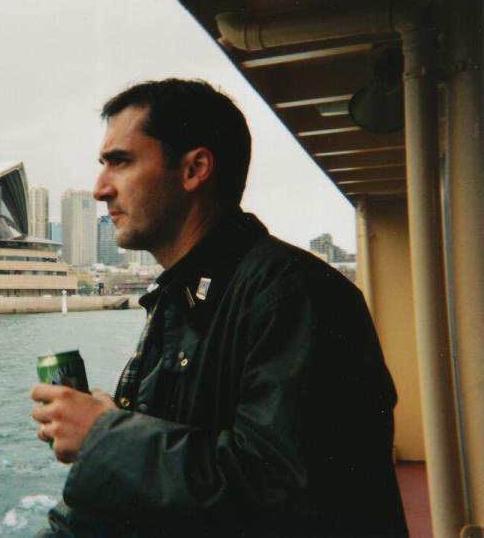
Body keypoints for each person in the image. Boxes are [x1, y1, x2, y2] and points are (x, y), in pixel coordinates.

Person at [30, 79, 408, 537]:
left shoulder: (295, 296)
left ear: (194, 169)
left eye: (121, 162)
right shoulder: (181, 299)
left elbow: (282, 492)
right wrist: (115, 426)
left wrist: (102, 436)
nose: (99, 189)